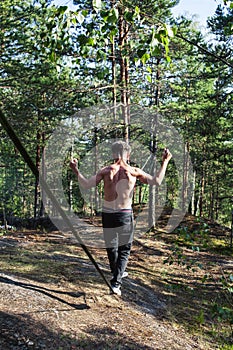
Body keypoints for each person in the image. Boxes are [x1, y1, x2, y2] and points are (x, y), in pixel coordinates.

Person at [70, 141, 172, 296]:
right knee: (124, 249)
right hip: (124, 214)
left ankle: (118, 272)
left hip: (108, 214)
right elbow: (157, 181)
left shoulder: (106, 170)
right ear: (128, 155)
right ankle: (116, 283)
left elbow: (85, 184)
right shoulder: (133, 171)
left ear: (113, 154)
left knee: (112, 247)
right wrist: (165, 161)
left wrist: (76, 170)